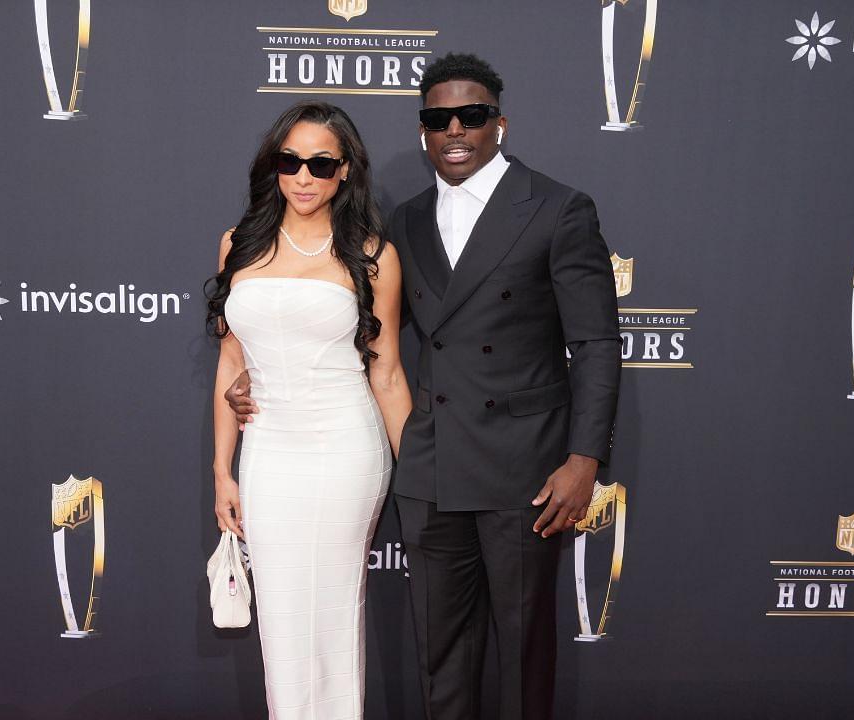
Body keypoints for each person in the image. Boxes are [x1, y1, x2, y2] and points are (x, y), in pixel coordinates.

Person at [228, 54, 622, 719]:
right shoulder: (403, 222)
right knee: (440, 657)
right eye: (440, 119)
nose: (456, 130)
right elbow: (355, 335)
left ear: (500, 122)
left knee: (523, 655)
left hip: (524, 470)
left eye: (472, 115)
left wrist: (584, 460)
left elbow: (596, 344)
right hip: (431, 466)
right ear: (422, 131)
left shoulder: (557, 208)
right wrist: (256, 371)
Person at [207, 100, 411, 720]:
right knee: (283, 614)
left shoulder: (373, 256)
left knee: (332, 608)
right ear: (273, 165)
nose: (302, 176)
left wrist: (425, 474)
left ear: (345, 171)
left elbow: (389, 373)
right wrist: (223, 470)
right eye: (289, 160)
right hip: (268, 449)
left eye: (320, 164)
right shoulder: (237, 246)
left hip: (344, 447)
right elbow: (229, 366)